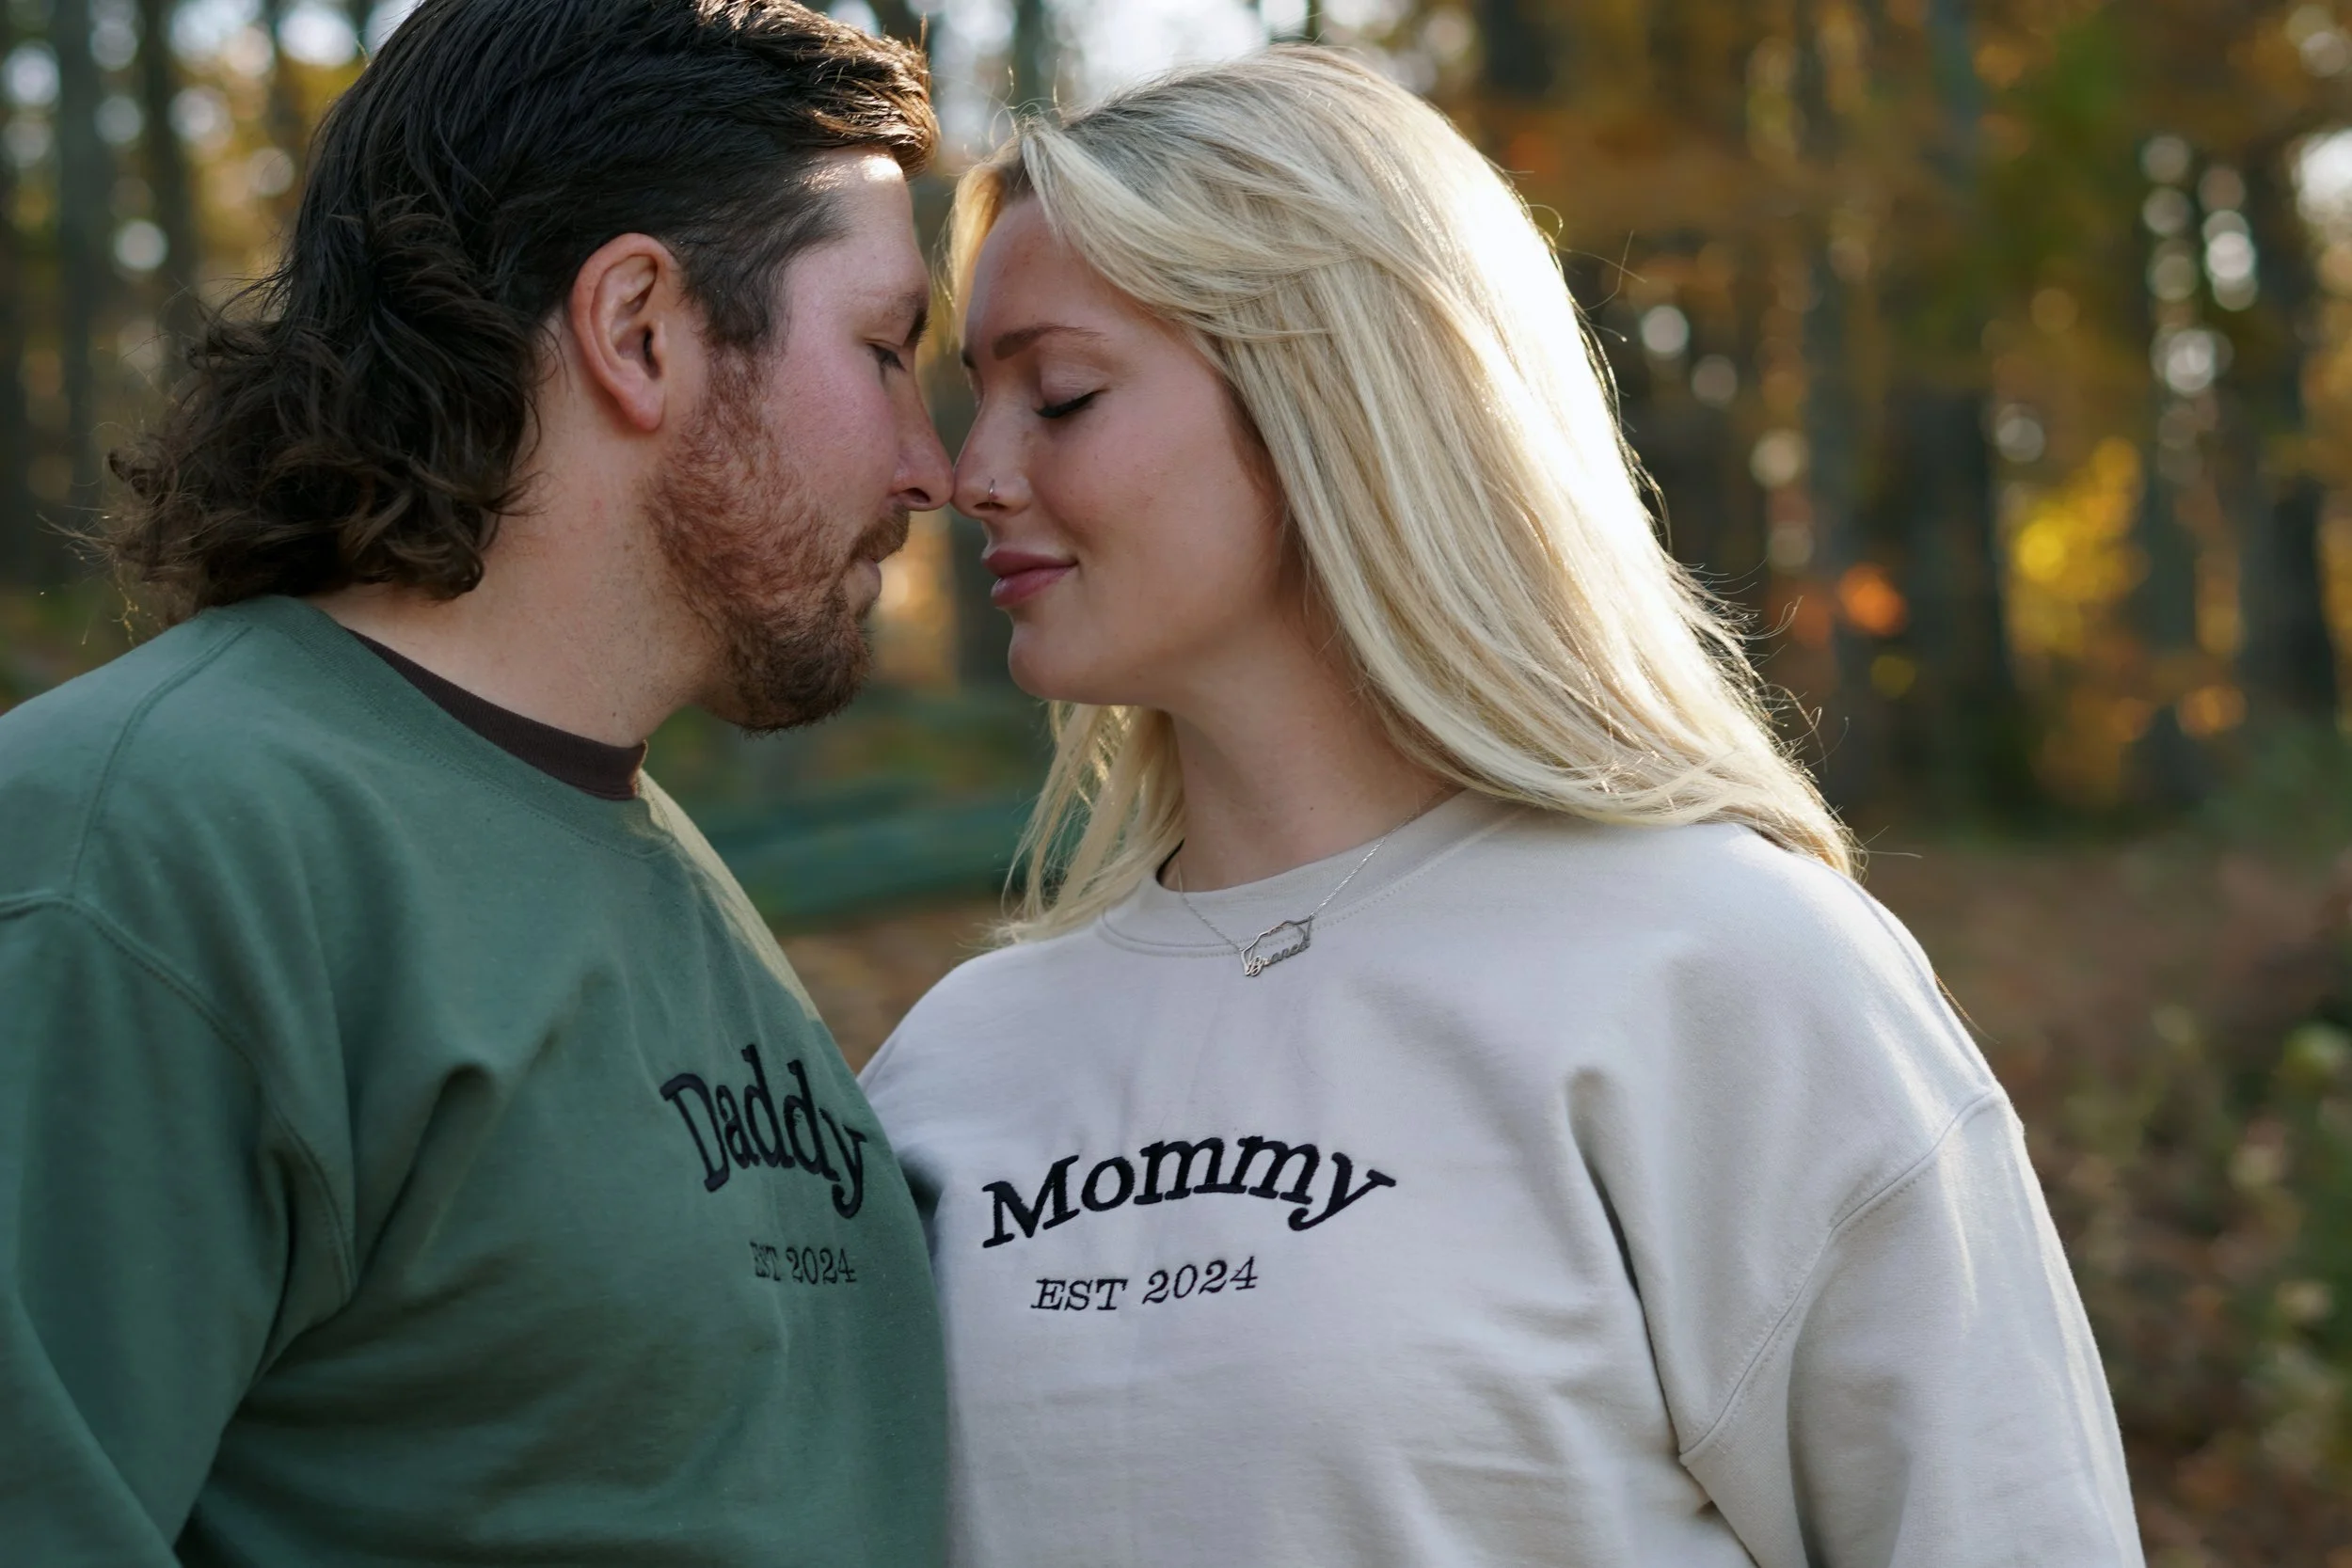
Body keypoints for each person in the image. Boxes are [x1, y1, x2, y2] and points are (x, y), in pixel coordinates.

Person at [859, 47, 2143, 1568]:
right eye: (974, 394)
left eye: (1060, 393)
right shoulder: (954, 1064)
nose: (972, 472)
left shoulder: (1724, 970)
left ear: (1331, 400)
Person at [0, 2, 953, 1562]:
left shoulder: (646, 856)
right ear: (640, 325)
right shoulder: (142, 855)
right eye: (884, 350)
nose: (929, 462)